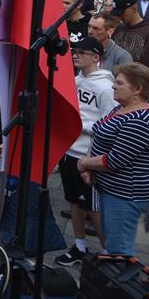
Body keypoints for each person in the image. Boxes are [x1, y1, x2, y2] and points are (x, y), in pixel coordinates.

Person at [78, 63, 149, 256]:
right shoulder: (122, 108)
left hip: (125, 196)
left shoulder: (139, 120)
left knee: (119, 250)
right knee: (112, 242)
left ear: (137, 89)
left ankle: (119, 274)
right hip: (111, 191)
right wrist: (89, 167)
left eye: (119, 83)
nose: (113, 86)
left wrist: (84, 163)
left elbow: (115, 161)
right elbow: (98, 132)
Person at [54, 37, 116, 266]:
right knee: (74, 201)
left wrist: (81, 127)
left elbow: (110, 124)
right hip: (69, 151)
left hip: (87, 155)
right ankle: (79, 246)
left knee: (93, 207)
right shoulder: (75, 80)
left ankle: (110, 253)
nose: (75, 55)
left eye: (81, 52)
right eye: (75, 51)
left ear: (96, 57)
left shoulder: (105, 87)